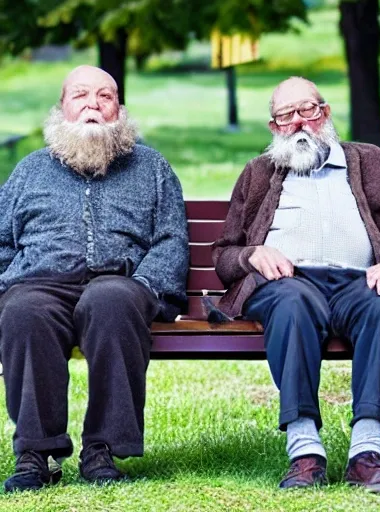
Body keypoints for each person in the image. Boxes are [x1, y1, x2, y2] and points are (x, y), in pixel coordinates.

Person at [212, 77, 380, 494]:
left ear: (326, 113)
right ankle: (305, 452)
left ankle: (367, 453)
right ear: (274, 127)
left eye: (308, 110)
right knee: (291, 304)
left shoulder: (372, 161)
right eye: (286, 115)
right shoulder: (258, 173)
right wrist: (252, 255)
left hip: (361, 281)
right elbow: (224, 254)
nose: (300, 122)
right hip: (287, 284)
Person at [0, 65, 189, 492]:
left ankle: (101, 447)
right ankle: (34, 452)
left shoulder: (151, 167)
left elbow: (171, 238)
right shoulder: (30, 171)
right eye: (81, 95)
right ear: (62, 107)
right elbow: (2, 241)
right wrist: (10, 282)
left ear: (118, 109)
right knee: (24, 309)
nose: (93, 105)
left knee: (110, 302)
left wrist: (148, 285)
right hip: (42, 282)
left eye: (105, 97)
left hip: (119, 282)